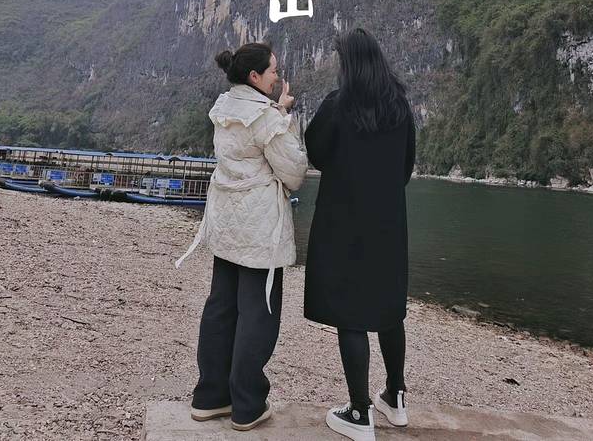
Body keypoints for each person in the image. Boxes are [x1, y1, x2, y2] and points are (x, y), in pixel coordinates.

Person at [174, 42, 308, 431]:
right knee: (258, 312)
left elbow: (248, 147)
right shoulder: (266, 117)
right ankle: (247, 405)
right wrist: (283, 116)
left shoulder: (225, 107)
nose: (277, 77)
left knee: (221, 307)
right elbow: (294, 171)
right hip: (259, 231)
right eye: (273, 71)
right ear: (254, 76)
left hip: (227, 224)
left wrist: (276, 110)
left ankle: (210, 396)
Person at [303, 27, 416, 440]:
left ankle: (358, 411)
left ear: (349, 63)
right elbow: (406, 167)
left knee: (350, 312)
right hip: (388, 226)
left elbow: (316, 151)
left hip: (345, 224)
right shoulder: (400, 107)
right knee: (388, 308)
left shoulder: (339, 104)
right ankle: (395, 398)